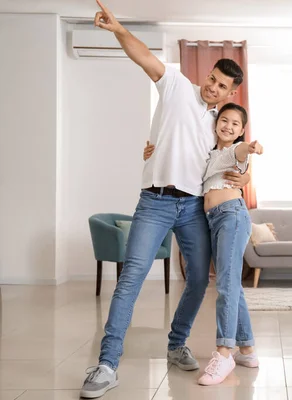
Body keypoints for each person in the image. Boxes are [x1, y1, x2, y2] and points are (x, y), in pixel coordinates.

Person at [80, 1, 250, 398]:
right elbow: (143, 55)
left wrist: (242, 173)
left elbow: (229, 161)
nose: (213, 87)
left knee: (197, 279)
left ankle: (176, 344)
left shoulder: (220, 125)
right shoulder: (175, 85)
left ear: (231, 91)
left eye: (222, 86)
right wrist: (119, 30)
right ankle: (106, 364)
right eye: (212, 79)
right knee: (132, 279)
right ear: (206, 75)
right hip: (154, 203)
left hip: (193, 208)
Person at [145, 103, 262, 385]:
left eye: (235, 123)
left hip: (231, 216)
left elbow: (241, 151)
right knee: (231, 284)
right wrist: (152, 151)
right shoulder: (209, 154)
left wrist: (251, 147)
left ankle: (225, 352)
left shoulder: (235, 152)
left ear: (241, 131)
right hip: (213, 220)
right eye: (224, 120)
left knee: (225, 285)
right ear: (215, 122)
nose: (228, 126)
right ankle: (247, 349)